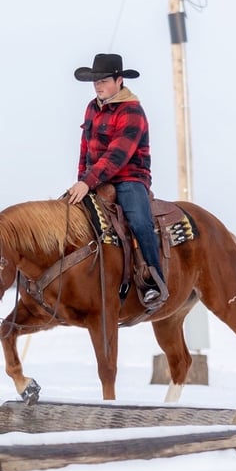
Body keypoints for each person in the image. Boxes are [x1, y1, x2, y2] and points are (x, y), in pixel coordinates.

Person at [67, 53, 166, 305]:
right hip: (95, 179)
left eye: (103, 81)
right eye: (95, 81)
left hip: (129, 177)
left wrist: (87, 181)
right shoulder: (92, 107)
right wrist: (81, 181)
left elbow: (117, 156)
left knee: (139, 222)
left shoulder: (132, 111)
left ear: (119, 80)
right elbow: (85, 149)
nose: (98, 86)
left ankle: (153, 279)